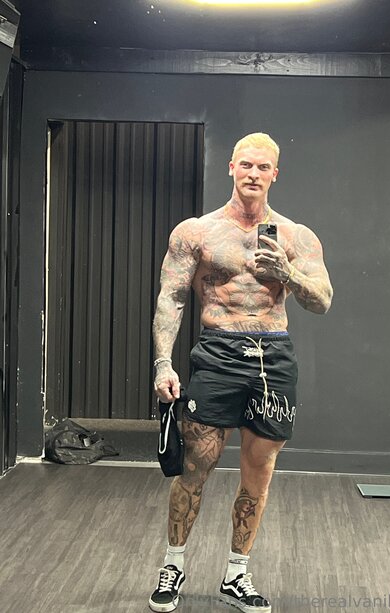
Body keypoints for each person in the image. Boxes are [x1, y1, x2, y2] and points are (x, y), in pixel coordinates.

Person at [149, 132, 333, 613]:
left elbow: (323, 300)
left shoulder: (296, 236)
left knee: (259, 473)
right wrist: (163, 362)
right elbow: (172, 297)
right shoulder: (197, 232)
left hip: (274, 357)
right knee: (195, 466)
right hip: (219, 351)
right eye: (246, 165)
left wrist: (287, 273)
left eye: (263, 167)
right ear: (231, 168)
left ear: (275, 174)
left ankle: (236, 574)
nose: (254, 173)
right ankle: (173, 565)